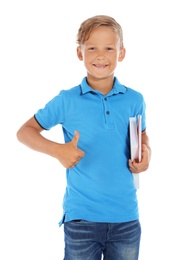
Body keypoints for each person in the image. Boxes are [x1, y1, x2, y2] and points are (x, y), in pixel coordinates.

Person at [16, 15, 151, 260]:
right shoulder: (67, 100)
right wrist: (58, 151)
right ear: (80, 53)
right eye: (92, 48)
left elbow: (141, 136)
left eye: (109, 48)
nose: (101, 55)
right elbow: (24, 132)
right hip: (82, 219)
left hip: (126, 218)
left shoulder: (135, 99)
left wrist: (146, 154)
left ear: (121, 53)